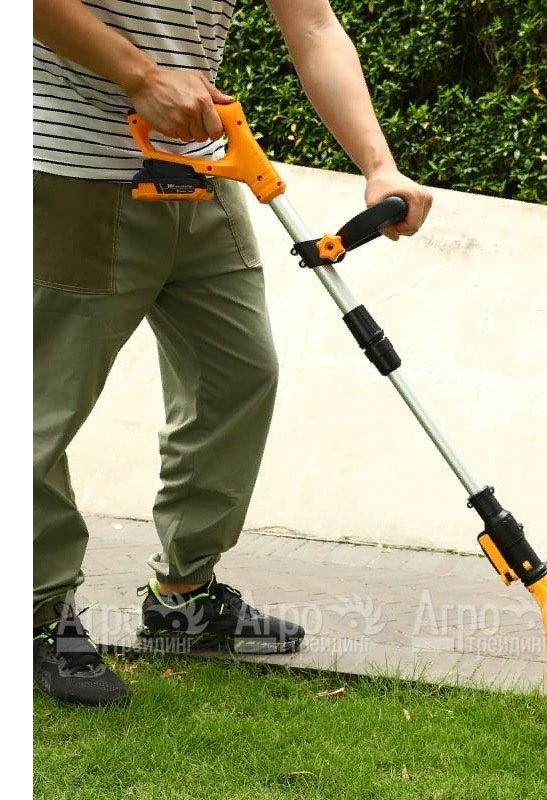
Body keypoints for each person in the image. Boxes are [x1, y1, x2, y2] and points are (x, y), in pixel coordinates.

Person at [33, 0, 433, 706]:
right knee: (40, 407)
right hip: (71, 171)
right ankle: (35, 611)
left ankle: (183, 595)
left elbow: (313, 26)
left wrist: (380, 165)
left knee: (238, 375)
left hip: (203, 170)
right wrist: (139, 76)